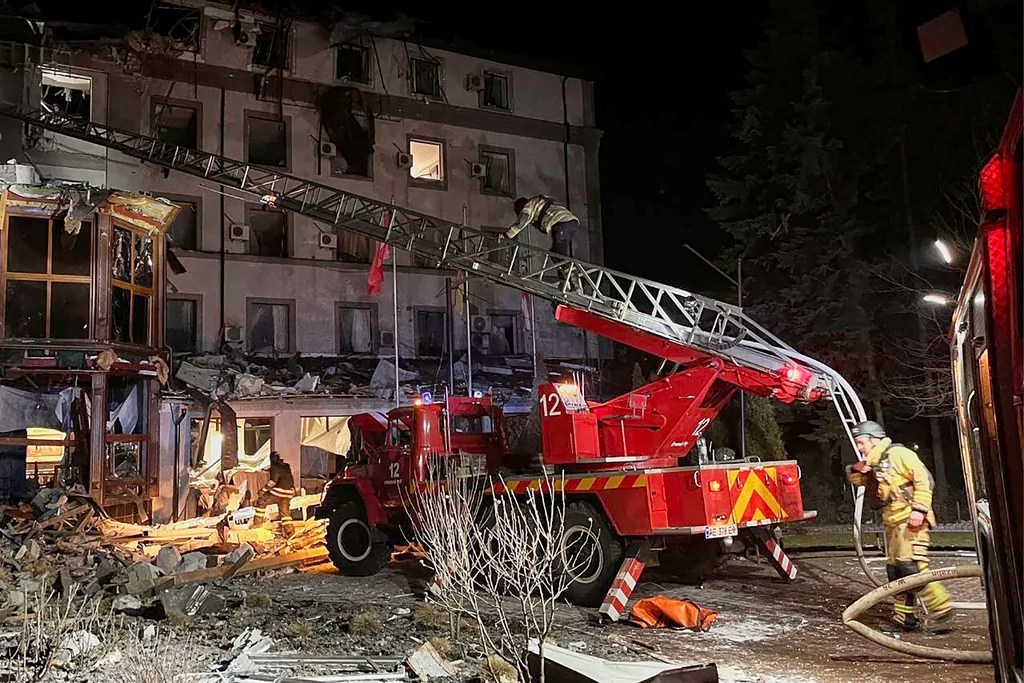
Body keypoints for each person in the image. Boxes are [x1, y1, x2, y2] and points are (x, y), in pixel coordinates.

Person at [845, 420, 954, 633]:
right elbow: (858, 480)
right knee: (896, 571)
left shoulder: (898, 455)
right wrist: (855, 469)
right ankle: (905, 616)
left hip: (911, 520)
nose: (859, 447)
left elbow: (924, 480)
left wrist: (919, 510)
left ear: (874, 439)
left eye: (861, 442)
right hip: (894, 524)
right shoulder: (875, 463)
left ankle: (941, 608)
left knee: (911, 567)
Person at [499, 195, 583, 294]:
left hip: (562, 223)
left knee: (560, 255)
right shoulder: (538, 202)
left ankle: (576, 286)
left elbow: (522, 221)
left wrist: (507, 235)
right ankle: (566, 282)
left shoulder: (528, 206)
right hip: (570, 223)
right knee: (555, 254)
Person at [254, 451, 296, 523]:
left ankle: (257, 523)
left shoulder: (275, 467)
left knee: (262, 501)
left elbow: (273, 481)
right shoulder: (286, 466)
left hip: (279, 491)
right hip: (289, 492)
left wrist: (263, 490)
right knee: (284, 512)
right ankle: (289, 530)